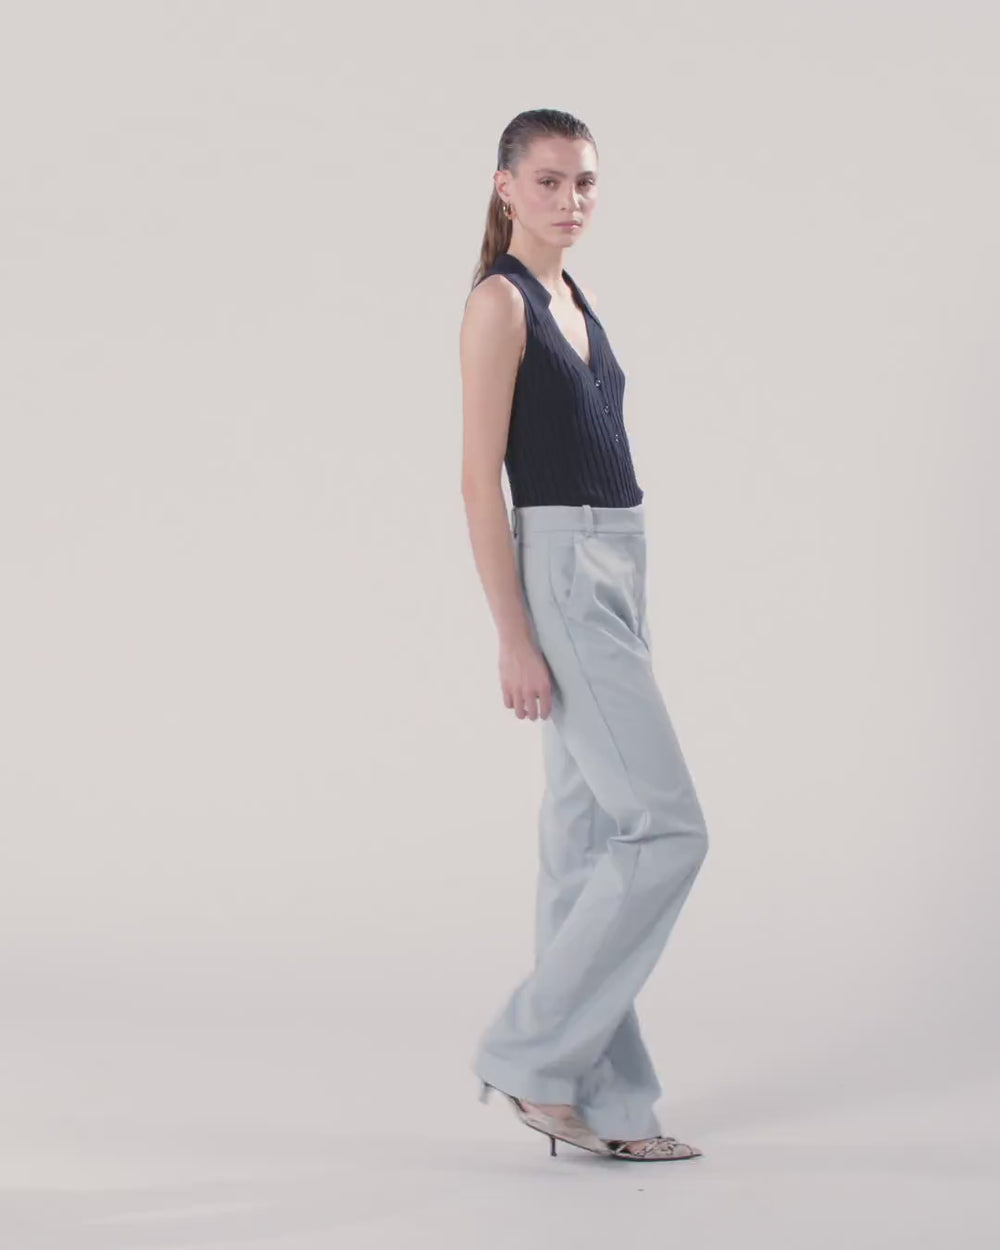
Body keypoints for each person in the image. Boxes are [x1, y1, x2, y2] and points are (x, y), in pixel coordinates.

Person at [459, 109, 710, 1163]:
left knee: (586, 843)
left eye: (586, 182)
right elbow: (479, 481)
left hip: (620, 560)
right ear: (507, 187)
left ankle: (600, 1102)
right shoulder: (500, 303)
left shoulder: (573, 295)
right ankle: (529, 1052)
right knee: (669, 828)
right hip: (561, 567)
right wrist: (513, 635)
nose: (571, 200)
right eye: (551, 181)